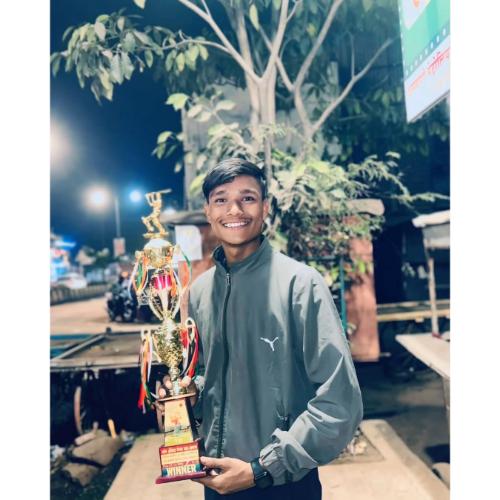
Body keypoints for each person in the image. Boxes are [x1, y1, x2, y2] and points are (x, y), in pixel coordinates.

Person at [160, 158, 363, 499]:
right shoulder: (199, 292)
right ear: (208, 211)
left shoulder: (301, 285)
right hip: (217, 479)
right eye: (221, 199)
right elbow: (207, 375)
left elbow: (340, 402)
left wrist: (263, 468)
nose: (234, 210)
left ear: (265, 207)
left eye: (248, 198)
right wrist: (187, 394)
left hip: (283, 483)